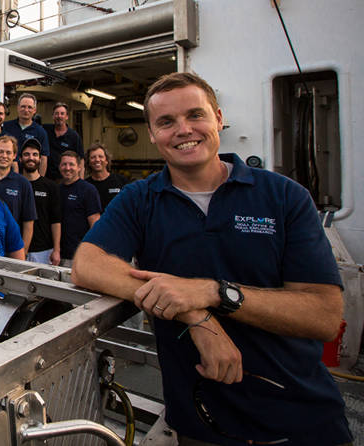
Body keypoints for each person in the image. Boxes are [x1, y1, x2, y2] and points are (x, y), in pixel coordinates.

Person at [71, 72, 352, 445]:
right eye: (166, 122)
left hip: (301, 419)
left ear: (218, 118)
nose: (183, 130)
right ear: (152, 134)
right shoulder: (141, 199)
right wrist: (192, 312)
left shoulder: (284, 197)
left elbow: (324, 316)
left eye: (195, 115)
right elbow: (88, 264)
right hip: (202, 423)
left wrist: (214, 293)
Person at [0, 135, 36, 256]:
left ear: (14, 156)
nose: (4, 156)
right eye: (0, 152)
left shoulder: (23, 184)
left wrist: (23, 252)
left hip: (12, 248)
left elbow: (28, 222)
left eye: (8, 152)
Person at [20, 138, 61, 265]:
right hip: (17, 249)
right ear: (20, 159)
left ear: (40, 159)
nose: (30, 158)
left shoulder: (51, 187)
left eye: (35, 154)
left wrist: (57, 250)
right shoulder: (15, 185)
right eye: (26, 154)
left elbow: (56, 221)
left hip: (43, 251)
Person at [58, 151, 101, 267]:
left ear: (79, 167)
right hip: (59, 255)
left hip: (81, 256)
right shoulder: (57, 190)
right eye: (64, 164)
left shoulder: (88, 190)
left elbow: (95, 223)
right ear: (59, 167)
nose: (67, 168)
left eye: (71, 164)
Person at [3, 93, 50, 175]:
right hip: (7, 174)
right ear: (18, 108)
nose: (26, 110)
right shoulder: (6, 127)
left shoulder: (41, 132)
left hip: (30, 176)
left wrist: (40, 180)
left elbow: (43, 158)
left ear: (34, 110)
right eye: (23, 106)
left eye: (29, 107)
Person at [43, 102, 84, 181]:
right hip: (47, 177)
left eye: (62, 114)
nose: (59, 116)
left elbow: (81, 160)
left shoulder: (74, 136)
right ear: (53, 116)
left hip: (66, 178)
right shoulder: (45, 130)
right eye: (56, 113)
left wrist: (80, 181)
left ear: (67, 117)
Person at [84, 143, 127, 211]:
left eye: (100, 156)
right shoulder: (85, 186)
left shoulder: (121, 181)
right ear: (88, 162)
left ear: (107, 160)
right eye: (93, 157)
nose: (97, 160)